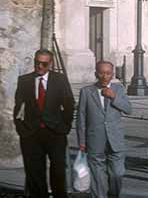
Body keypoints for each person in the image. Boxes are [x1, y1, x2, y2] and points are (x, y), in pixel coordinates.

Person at [13, 48, 75, 198]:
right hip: (31, 133)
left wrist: (64, 127)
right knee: (34, 173)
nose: (40, 67)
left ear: (51, 64)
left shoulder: (60, 80)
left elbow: (69, 105)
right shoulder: (24, 80)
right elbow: (18, 106)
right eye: (37, 63)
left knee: (58, 171)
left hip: (55, 133)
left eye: (44, 64)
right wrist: (21, 128)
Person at [76, 61, 132, 197]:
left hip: (115, 140)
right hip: (95, 139)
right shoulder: (86, 92)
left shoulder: (119, 89)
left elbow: (128, 109)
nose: (104, 76)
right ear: (96, 73)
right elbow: (81, 118)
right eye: (101, 73)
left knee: (117, 174)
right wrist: (82, 142)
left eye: (108, 73)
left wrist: (114, 97)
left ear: (112, 74)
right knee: (97, 177)